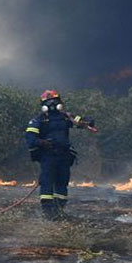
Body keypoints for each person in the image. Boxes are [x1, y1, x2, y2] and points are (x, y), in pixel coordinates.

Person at [24, 90, 95, 220]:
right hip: (48, 157)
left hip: (64, 157)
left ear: (60, 102)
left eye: (55, 101)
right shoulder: (38, 120)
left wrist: (89, 122)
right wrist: (42, 142)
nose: (52, 104)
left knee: (62, 184)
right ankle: (48, 213)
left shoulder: (66, 117)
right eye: (48, 102)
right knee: (46, 184)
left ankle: (58, 212)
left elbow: (81, 122)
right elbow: (30, 139)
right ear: (43, 105)